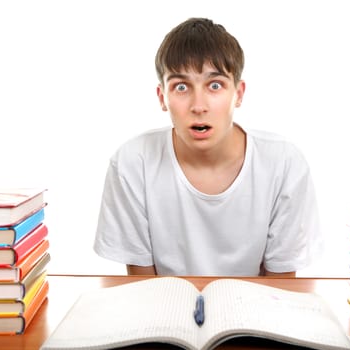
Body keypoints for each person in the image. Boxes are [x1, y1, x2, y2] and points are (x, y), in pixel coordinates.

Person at [94, 17, 322, 276]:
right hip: (165, 310)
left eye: (215, 86)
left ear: (238, 93)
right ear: (162, 98)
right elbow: (143, 289)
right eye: (181, 87)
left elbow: (281, 289)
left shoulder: (284, 163)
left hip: (255, 312)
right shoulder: (132, 163)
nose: (198, 106)